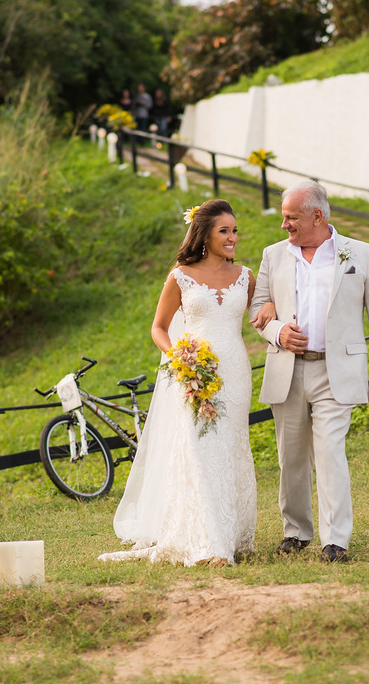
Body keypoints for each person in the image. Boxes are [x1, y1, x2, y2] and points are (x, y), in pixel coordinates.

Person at [99, 200, 268, 567]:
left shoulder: (246, 275)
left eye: (235, 230)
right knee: (198, 449)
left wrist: (271, 313)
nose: (233, 237)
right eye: (225, 231)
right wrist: (180, 359)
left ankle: (232, 532)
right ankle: (208, 541)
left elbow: (262, 313)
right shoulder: (181, 276)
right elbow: (158, 327)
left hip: (235, 372)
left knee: (231, 447)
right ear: (204, 234)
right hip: (193, 373)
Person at [249, 180, 369, 563]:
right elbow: (258, 309)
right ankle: (296, 531)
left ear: (317, 216)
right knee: (291, 457)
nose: (284, 225)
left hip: (337, 372)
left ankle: (336, 539)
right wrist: (278, 331)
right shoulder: (274, 255)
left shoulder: (360, 254)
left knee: (330, 452)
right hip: (288, 369)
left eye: (291, 217)